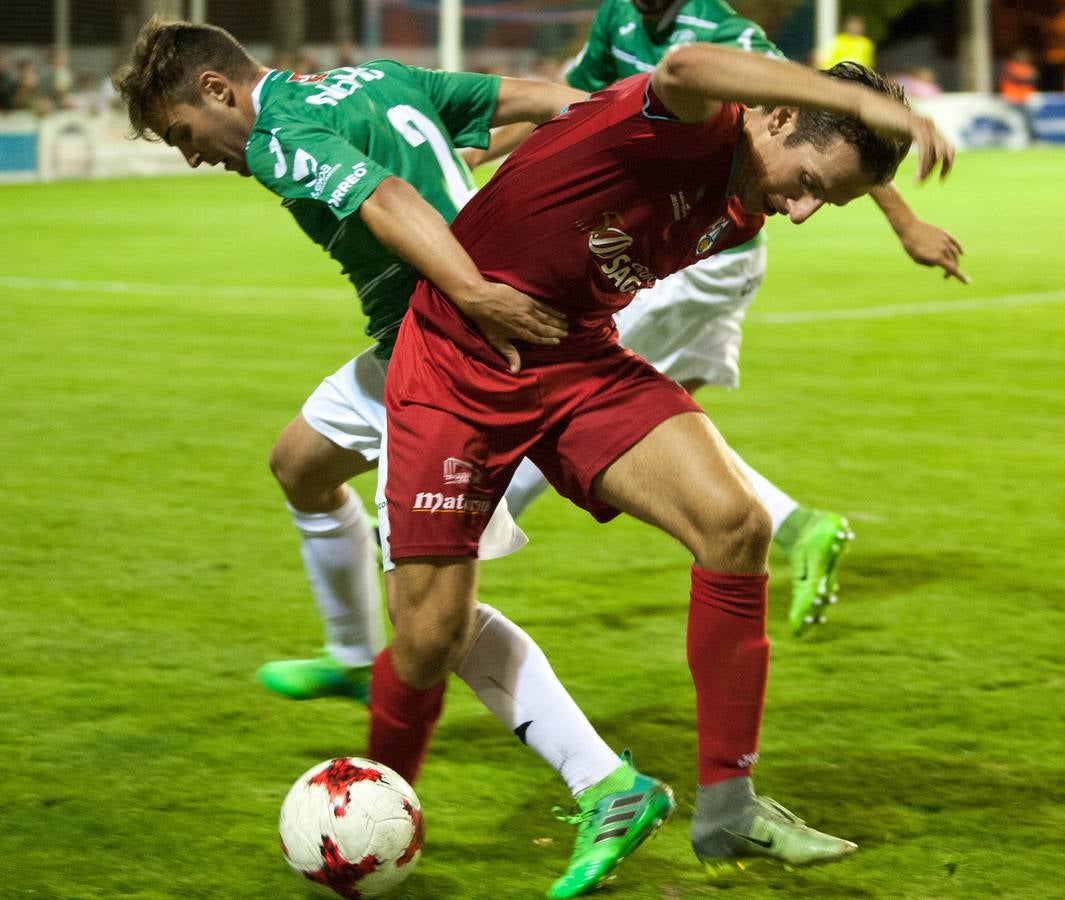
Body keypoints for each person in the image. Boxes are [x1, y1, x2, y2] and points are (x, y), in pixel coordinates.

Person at [115, 18, 675, 897]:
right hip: (405, 343)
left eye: (184, 134)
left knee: (432, 628)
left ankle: (602, 780)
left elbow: (384, 200)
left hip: (446, 350)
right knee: (300, 463)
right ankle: (349, 655)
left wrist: (476, 290)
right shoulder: (365, 81)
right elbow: (556, 103)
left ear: (218, 90)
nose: (193, 157)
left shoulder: (278, 134)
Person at [378, 41, 953, 878]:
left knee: (734, 523)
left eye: (824, 203)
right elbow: (683, 66)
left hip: (571, 355)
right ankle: (376, 795)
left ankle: (728, 807)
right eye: (808, 186)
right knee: (427, 639)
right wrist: (871, 104)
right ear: (776, 113)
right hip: (457, 360)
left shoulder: (745, 200)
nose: (800, 213)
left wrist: (890, 195)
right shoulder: (692, 123)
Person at [500, 0, 968, 637]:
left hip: (709, 256)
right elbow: (572, 98)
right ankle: (800, 526)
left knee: (565, 398)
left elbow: (825, 127)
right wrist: (488, 146)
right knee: (665, 423)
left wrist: (904, 219)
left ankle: (456, 530)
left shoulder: (726, 35)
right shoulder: (619, 18)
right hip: (698, 243)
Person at [998, 47, 1039, 142]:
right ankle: (1033, 139)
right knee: (1024, 120)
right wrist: (1027, 77)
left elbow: (1034, 78)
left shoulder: (1027, 67)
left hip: (1023, 99)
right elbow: (1017, 79)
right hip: (1011, 99)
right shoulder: (1010, 67)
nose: (1023, 58)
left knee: (1027, 120)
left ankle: (1033, 140)